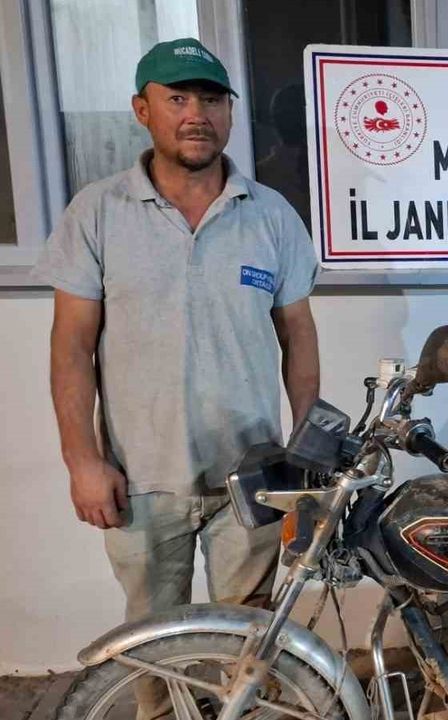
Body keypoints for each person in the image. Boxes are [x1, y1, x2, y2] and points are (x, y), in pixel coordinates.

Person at [33, 36, 319, 651]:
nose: (197, 115)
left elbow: (297, 334)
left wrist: (304, 448)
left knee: (249, 648)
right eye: (178, 98)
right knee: (153, 649)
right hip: (141, 481)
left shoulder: (270, 215)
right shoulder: (98, 213)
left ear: (231, 111)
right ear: (143, 109)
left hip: (252, 478)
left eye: (212, 100)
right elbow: (71, 350)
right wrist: (82, 461)